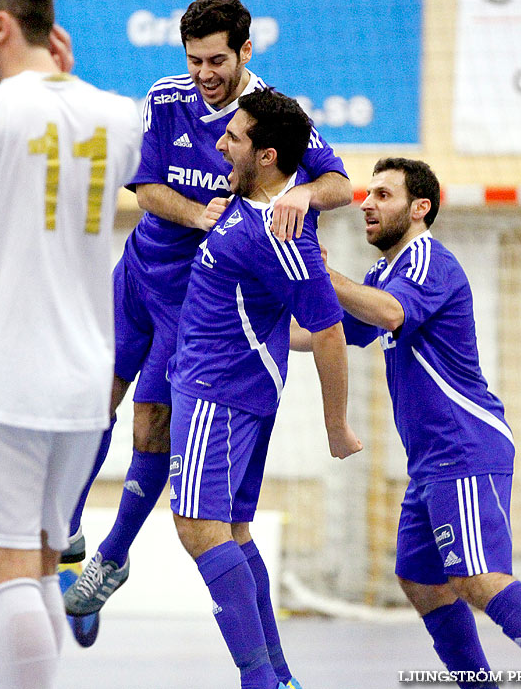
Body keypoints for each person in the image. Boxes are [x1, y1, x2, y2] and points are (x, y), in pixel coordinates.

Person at [63, 0, 353, 622]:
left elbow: (340, 184)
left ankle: (112, 555)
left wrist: (302, 191)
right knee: (92, 397)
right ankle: (67, 527)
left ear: (246, 51)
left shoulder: (271, 119)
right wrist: (197, 212)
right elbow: (142, 186)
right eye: (195, 59)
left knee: (150, 428)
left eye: (217, 59)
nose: (204, 73)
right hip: (139, 270)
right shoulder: (166, 97)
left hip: (191, 300)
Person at [292, 157, 521, 689]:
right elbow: (329, 332)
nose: (367, 205)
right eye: (366, 195)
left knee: (475, 576)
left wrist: (322, 272)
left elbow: (392, 314)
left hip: (465, 444)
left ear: (419, 208)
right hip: (431, 458)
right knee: (420, 577)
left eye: (382, 195)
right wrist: (242, 328)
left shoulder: (426, 260)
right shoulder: (383, 273)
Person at [0, 0, 142, 687]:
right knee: (44, 566)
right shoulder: (115, 115)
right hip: (83, 386)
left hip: (0, 382)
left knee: (4, 570)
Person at [166, 87, 361, 689]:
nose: (221, 142)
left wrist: (336, 426)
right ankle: (278, 677)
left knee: (198, 529)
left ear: (269, 155)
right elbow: (291, 327)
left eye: (236, 136)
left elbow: (327, 331)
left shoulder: (278, 231)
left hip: (217, 394)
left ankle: (260, 681)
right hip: (225, 391)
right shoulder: (251, 206)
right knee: (234, 532)